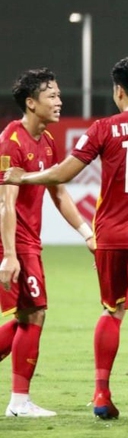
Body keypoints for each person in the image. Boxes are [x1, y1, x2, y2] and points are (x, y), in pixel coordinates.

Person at [4, 56, 128, 426]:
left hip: (109, 237)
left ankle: (102, 394)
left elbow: (66, 172)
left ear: (118, 90)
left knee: (112, 311)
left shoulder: (104, 128)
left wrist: (26, 178)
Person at [0, 68, 95, 418]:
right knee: (34, 313)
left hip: (29, 242)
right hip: (13, 242)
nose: (59, 101)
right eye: (51, 95)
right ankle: (19, 402)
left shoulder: (47, 142)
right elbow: (5, 203)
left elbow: (59, 194)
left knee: (30, 315)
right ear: (30, 103)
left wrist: (87, 232)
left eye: (58, 94)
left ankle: (20, 401)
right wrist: (9, 255)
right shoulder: (11, 140)